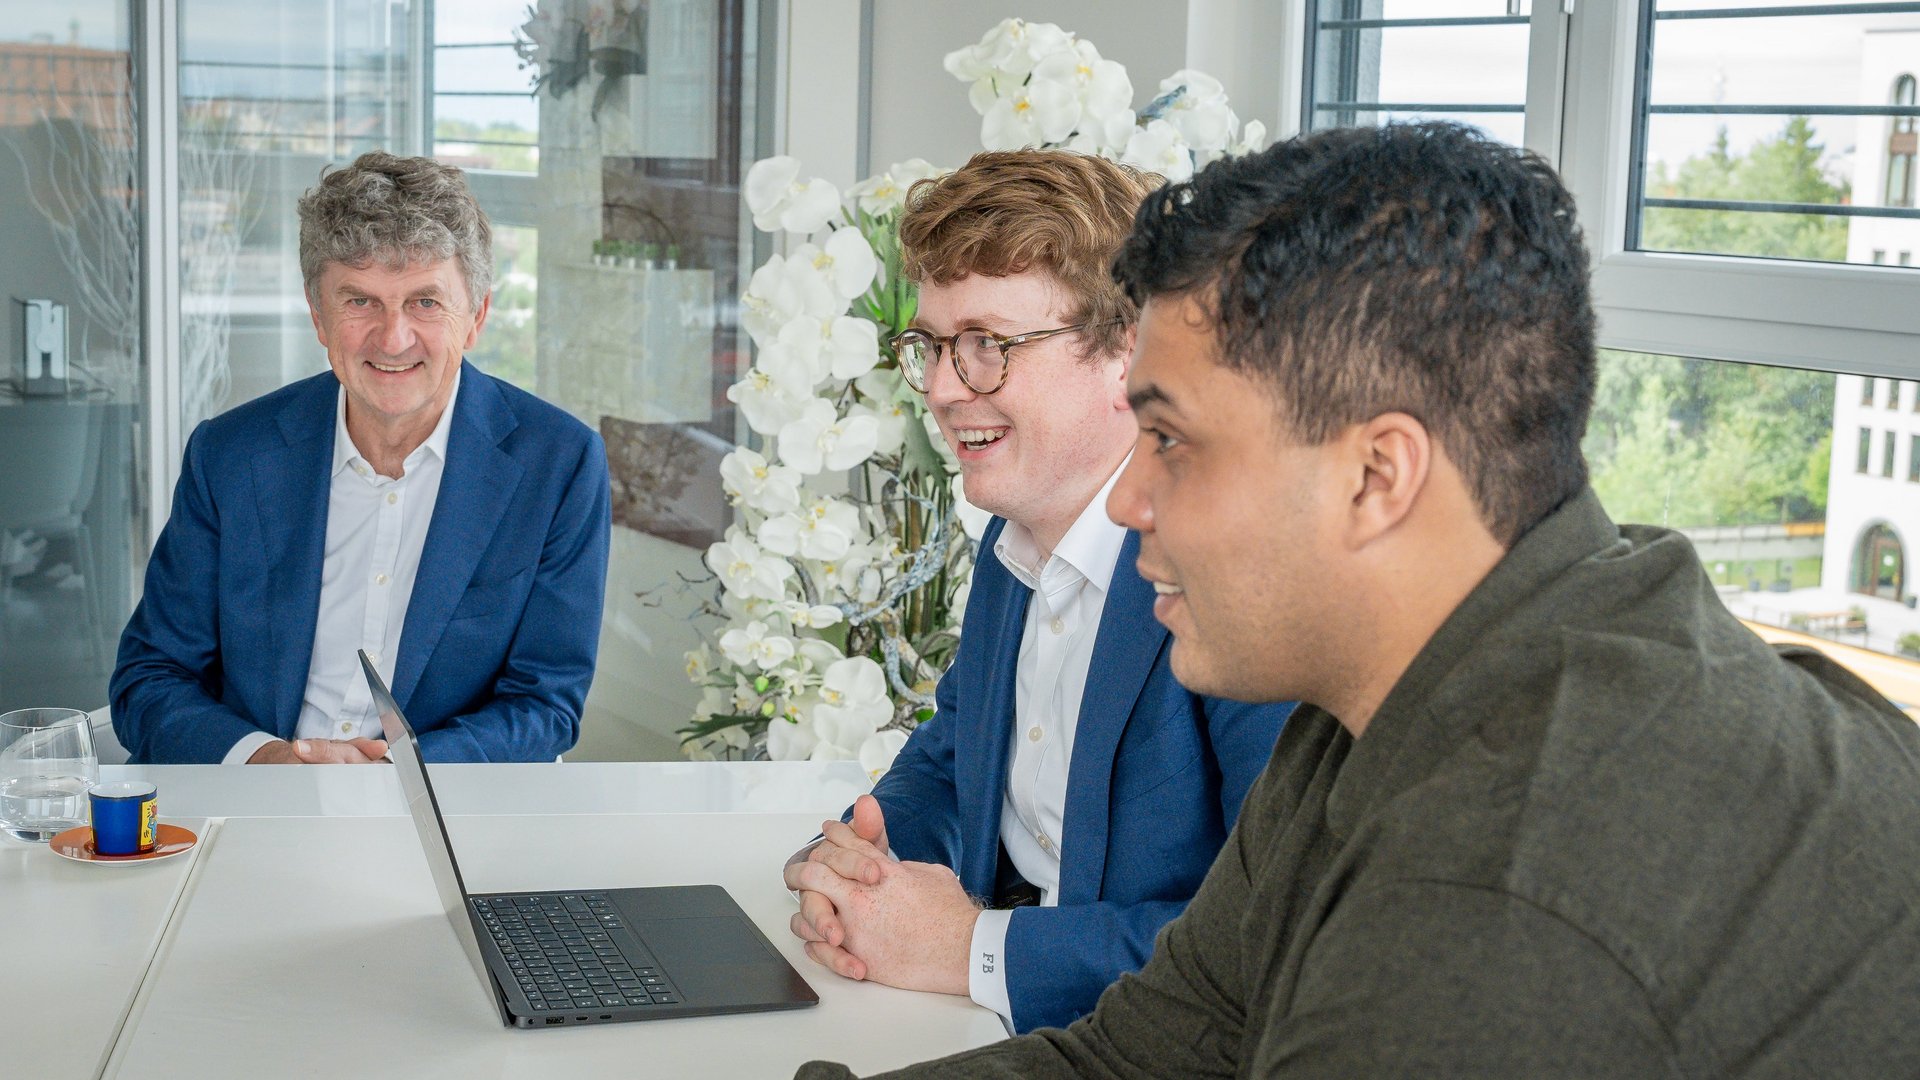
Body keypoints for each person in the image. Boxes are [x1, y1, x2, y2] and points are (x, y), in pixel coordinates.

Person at [796, 123, 1920, 1078]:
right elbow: (1143, 1053)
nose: (1130, 500)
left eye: (1174, 442)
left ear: (1378, 476)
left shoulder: (1496, 912)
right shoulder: (1396, 702)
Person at [781, 150, 1293, 1034]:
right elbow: (956, 752)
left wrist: (974, 950)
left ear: (1128, 349)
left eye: (989, 346)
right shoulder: (1012, 540)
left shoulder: (1249, 579)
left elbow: (1272, 938)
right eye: (933, 347)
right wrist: (864, 861)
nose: (944, 389)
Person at [112, 152, 610, 765]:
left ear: (476, 316)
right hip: (256, 806)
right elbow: (149, 678)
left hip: (441, 811)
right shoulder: (230, 454)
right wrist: (265, 760)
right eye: (360, 301)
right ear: (318, 315)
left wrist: (405, 773)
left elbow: (546, 704)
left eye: (426, 302)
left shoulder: (558, 464)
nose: (393, 338)